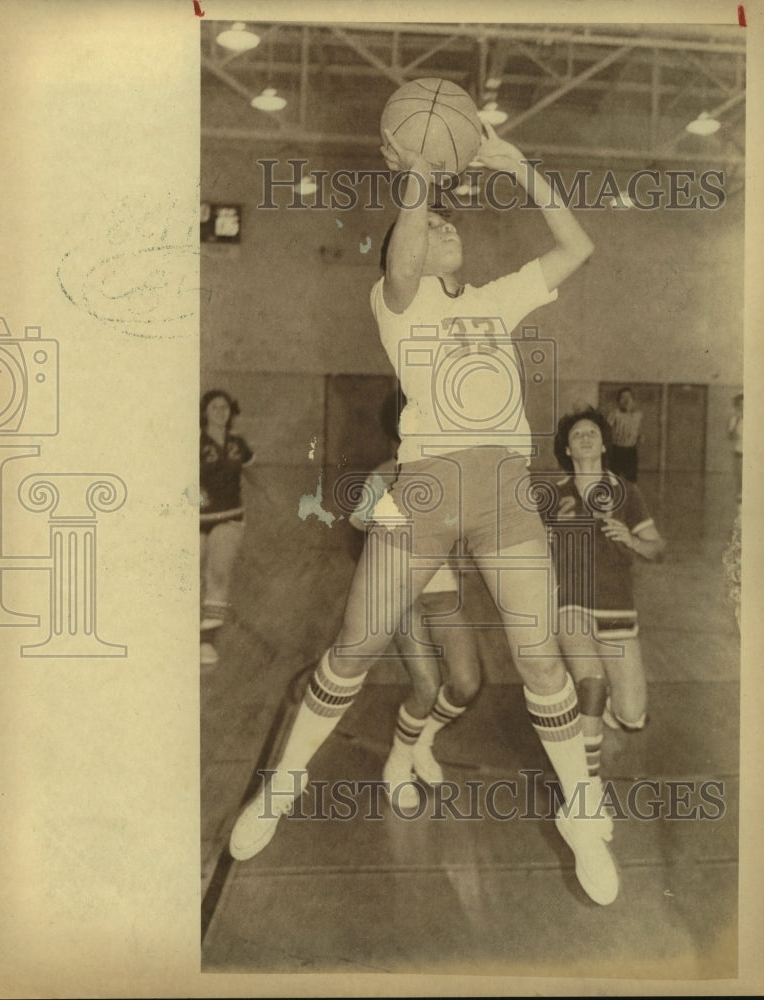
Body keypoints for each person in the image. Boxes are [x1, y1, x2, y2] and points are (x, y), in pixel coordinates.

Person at [230, 124, 620, 905]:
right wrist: (417, 175)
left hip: (505, 487)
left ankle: (581, 812)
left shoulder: (494, 298)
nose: (443, 228)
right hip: (427, 488)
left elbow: (577, 247)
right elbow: (406, 237)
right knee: (355, 643)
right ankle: (278, 786)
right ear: (396, 262)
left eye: (448, 223)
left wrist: (521, 165)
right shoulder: (394, 302)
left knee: (539, 656)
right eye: (428, 225)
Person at [349, 392, 483, 811]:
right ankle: (398, 761)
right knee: (425, 685)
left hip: (442, 588)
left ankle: (422, 739)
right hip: (400, 592)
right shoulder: (383, 475)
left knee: (466, 683)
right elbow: (357, 533)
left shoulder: (447, 476)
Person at [546, 408, 665, 780]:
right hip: (570, 606)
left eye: (592, 433)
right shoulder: (553, 496)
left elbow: (658, 549)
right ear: (567, 449)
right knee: (591, 680)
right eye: (577, 434)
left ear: (603, 444)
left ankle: (603, 710)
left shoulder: (626, 493)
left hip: (617, 609)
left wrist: (631, 539)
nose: (585, 437)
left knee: (632, 716)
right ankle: (585, 784)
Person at [199, 389, 255, 666]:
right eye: (214, 408)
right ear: (204, 413)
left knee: (218, 576)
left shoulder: (238, 444)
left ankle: (207, 641)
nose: (221, 412)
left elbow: (253, 472)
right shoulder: (193, 442)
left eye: (225, 408)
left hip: (230, 516)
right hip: (194, 519)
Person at [607, 387, 643, 483]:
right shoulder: (615, 414)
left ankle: (629, 497)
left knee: (631, 480)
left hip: (631, 451)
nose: (626, 400)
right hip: (617, 450)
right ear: (619, 401)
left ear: (633, 400)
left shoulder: (638, 415)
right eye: (623, 397)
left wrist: (640, 436)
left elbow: (639, 430)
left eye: (629, 397)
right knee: (613, 480)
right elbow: (606, 430)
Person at [727, 393, 743, 502]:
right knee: (740, 478)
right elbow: (730, 437)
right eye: (739, 405)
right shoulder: (734, 420)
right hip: (740, 452)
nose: (742, 408)